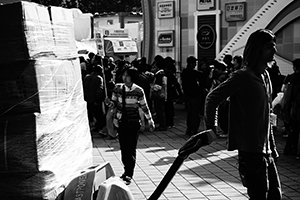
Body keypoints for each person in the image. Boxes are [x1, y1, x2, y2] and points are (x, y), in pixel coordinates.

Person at [204, 29, 282, 199]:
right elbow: (212, 98)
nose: (275, 50)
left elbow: (267, 115)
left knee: (276, 195)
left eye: (274, 46)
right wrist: (212, 127)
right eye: (270, 47)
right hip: (251, 151)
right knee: (259, 196)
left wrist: (273, 147)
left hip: (267, 150)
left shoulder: (265, 76)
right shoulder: (243, 76)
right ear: (257, 49)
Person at [108, 67, 155, 185]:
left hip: (134, 122)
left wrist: (150, 121)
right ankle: (126, 170)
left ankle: (129, 173)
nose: (125, 78)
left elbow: (144, 106)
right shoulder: (118, 88)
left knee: (131, 148)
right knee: (123, 148)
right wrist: (108, 103)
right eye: (123, 75)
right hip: (121, 121)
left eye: (127, 75)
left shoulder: (139, 91)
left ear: (132, 77)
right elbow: (113, 104)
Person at [181, 56, 205, 135]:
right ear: (191, 63)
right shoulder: (193, 72)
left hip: (188, 95)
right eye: (194, 63)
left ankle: (189, 128)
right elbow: (202, 76)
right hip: (195, 95)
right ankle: (194, 129)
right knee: (195, 113)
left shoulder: (184, 72)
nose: (195, 64)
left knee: (190, 112)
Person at [283, 58, 300, 158]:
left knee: (294, 129)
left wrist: (286, 108)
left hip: (294, 108)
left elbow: (287, 95)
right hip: (296, 107)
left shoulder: (292, 78)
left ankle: (290, 148)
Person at [83, 65, 106, 135]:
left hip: (87, 99)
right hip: (95, 100)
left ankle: (90, 126)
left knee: (90, 114)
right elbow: (100, 90)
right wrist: (98, 100)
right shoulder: (99, 78)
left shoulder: (86, 77)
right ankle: (99, 128)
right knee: (98, 115)